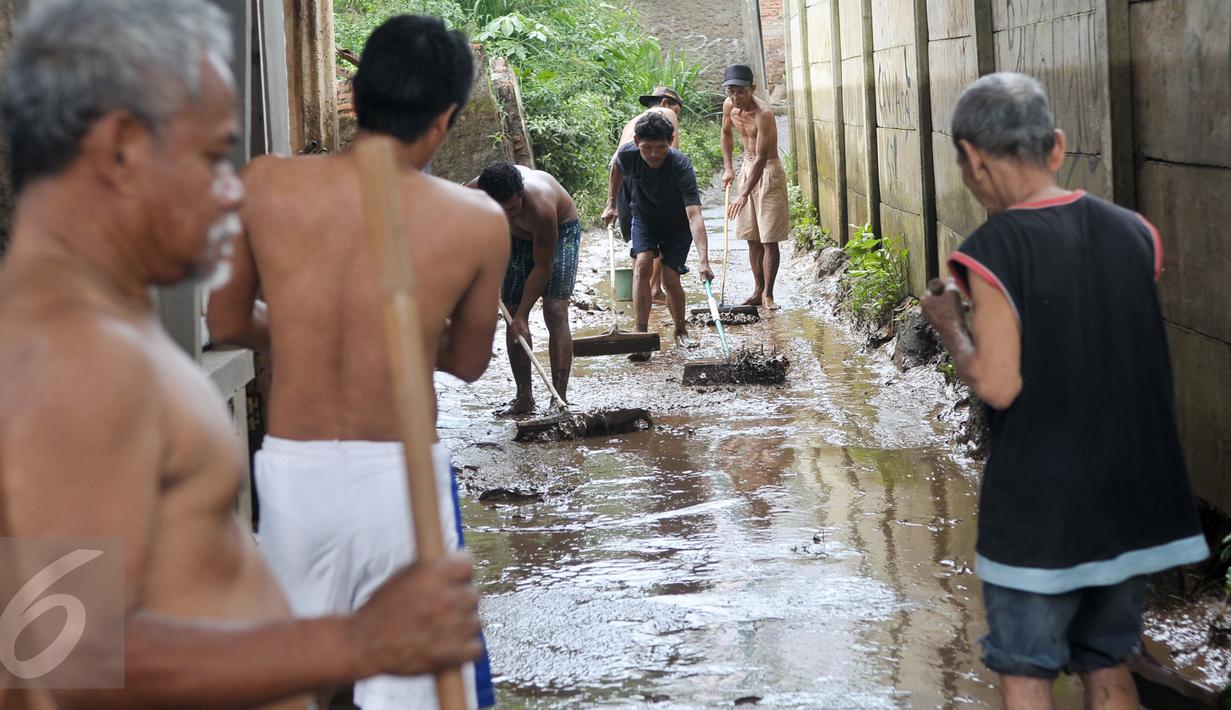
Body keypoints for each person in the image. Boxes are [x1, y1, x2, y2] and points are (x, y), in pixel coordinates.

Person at [0, 2, 483, 708]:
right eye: (210, 157)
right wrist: (357, 643)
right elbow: (58, 654)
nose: (233, 190)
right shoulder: (75, 357)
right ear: (122, 147)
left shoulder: (94, 331)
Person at [206, 14, 507, 710]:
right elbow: (467, 362)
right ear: (444, 119)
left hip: (293, 475)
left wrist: (307, 327)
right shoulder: (476, 219)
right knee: (421, 685)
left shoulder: (263, 183)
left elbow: (224, 322)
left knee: (290, 677)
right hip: (399, 478)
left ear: (356, 93)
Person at [921, 72, 1207, 710]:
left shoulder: (992, 248)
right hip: (1129, 503)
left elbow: (997, 385)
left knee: (1027, 671)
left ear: (971, 160)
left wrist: (950, 326)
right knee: (1109, 664)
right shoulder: (1137, 232)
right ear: (1057, 147)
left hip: (1041, 512)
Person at [602, 111, 714, 361]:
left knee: (670, 277)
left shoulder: (681, 166)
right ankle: (641, 336)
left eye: (661, 147)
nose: (654, 154)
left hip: (677, 225)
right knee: (642, 264)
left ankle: (680, 330)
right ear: (636, 142)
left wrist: (703, 260)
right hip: (644, 217)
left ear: (671, 141)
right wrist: (611, 203)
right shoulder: (627, 154)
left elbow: (694, 215)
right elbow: (616, 169)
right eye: (647, 147)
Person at [472, 162, 579, 415]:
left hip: (560, 231)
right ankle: (524, 398)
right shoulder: (474, 192)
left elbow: (542, 267)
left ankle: (558, 399)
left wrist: (523, 314)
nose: (506, 215)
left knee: (554, 309)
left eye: (511, 208)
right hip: (516, 238)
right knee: (510, 313)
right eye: (499, 210)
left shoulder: (540, 206)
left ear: (521, 194)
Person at [720, 64, 789, 310]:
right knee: (752, 237)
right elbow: (726, 134)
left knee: (769, 238)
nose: (735, 97)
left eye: (740, 92)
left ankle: (768, 294)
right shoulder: (730, 106)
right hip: (748, 167)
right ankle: (757, 289)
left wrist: (742, 195)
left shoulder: (764, 113)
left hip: (768, 170)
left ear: (752, 88)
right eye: (731, 92)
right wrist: (729, 167)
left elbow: (761, 157)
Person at [613, 86, 683, 304]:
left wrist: (611, 204)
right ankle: (654, 290)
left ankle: (643, 291)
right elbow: (671, 156)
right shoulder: (668, 114)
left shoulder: (633, 122)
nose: (676, 115)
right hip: (641, 174)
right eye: (677, 110)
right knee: (657, 226)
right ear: (665, 104)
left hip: (624, 176)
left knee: (639, 240)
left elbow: (616, 163)